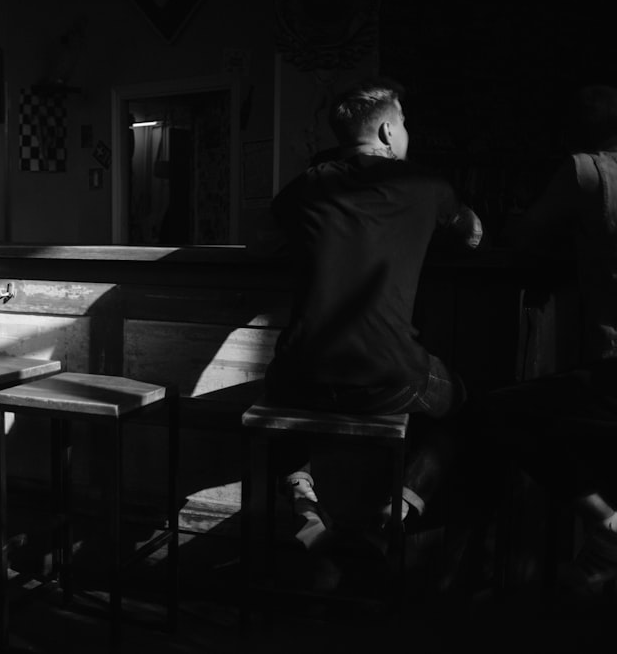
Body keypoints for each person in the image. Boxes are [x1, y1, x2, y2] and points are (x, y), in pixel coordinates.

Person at [260, 77, 483, 549]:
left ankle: (303, 496)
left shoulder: (304, 187)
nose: (407, 132)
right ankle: (399, 507)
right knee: (465, 405)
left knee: (275, 393)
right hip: (388, 378)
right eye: (403, 123)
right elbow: (472, 236)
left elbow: (266, 239)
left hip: (299, 377)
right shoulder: (424, 186)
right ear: (385, 132)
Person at [472, 84, 617, 590]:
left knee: (501, 410)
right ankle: (602, 554)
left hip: (612, 372)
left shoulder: (588, 169)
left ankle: (606, 526)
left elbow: (524, 236)